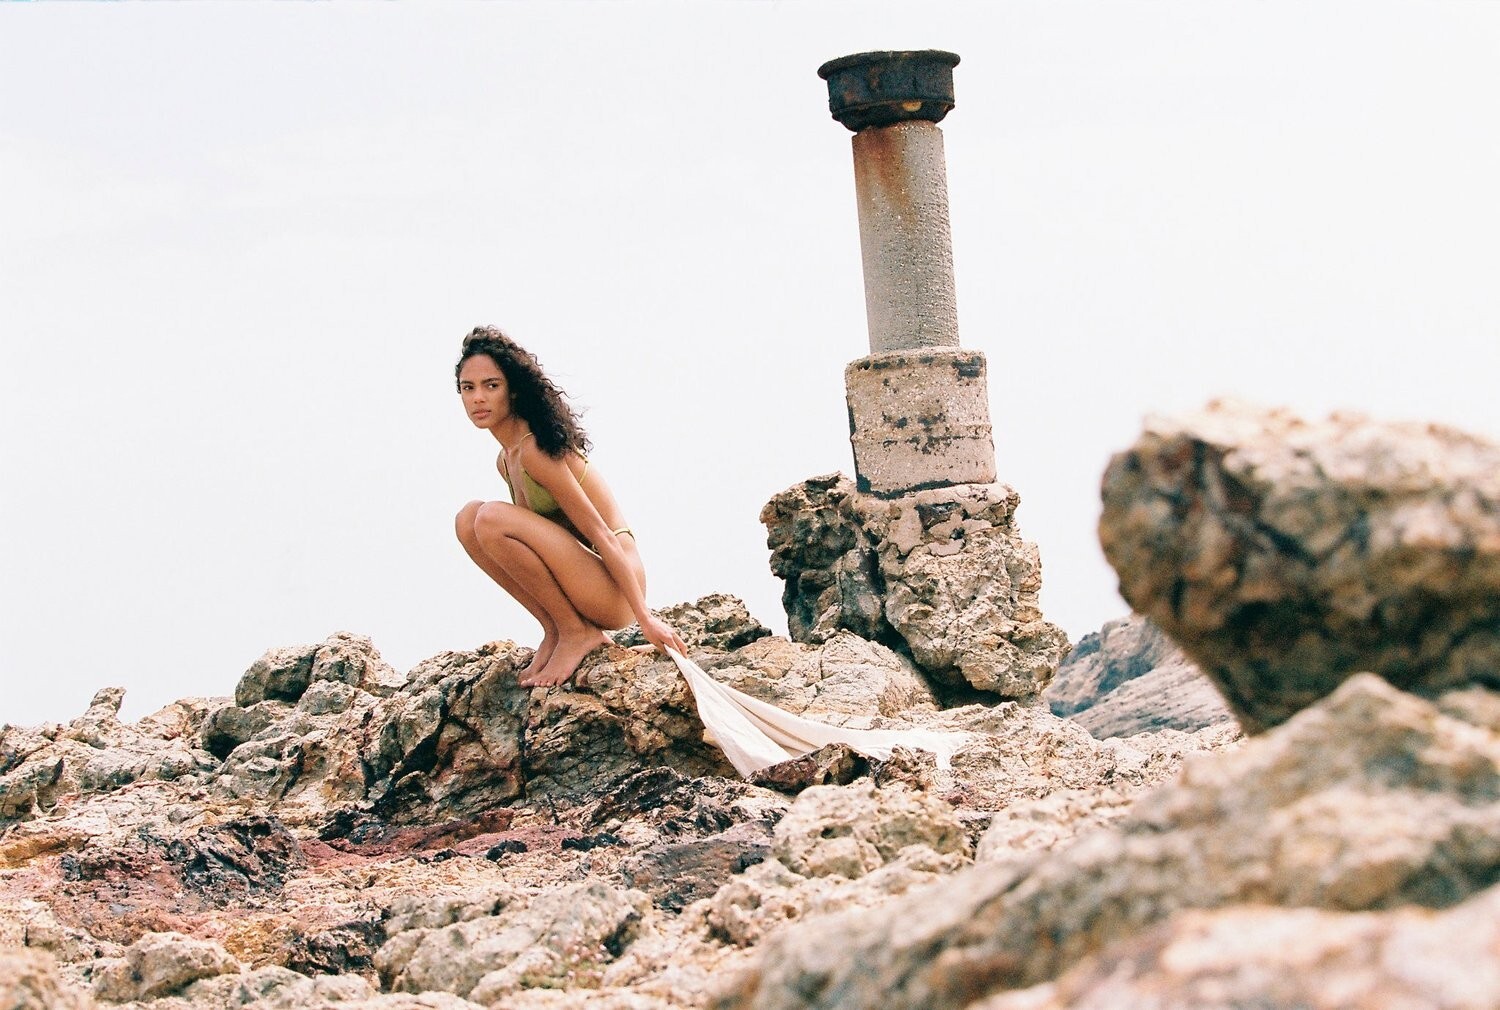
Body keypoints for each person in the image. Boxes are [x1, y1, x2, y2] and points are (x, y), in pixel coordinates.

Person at [454, 326, 688, 687]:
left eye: (491, 385)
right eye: (468, 388)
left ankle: (576, 632)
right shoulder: (507, 459)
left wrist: (645, 619)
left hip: (616, 586)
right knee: (468, 519)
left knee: (489, 517)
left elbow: (601, 533)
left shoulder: (535, 450)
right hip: (586, 578)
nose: (478, 398)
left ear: (513, 390)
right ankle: (556, 630)